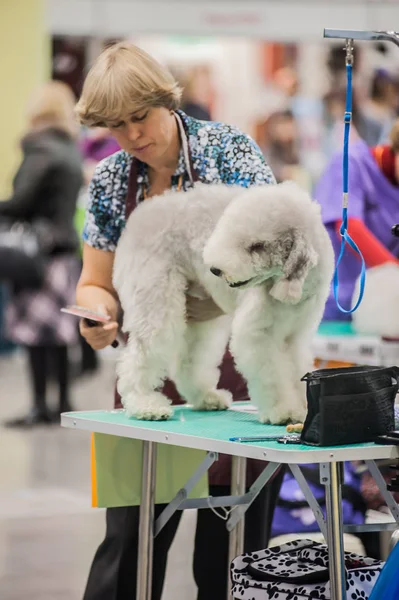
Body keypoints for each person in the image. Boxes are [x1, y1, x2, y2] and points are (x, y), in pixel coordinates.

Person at [75, 41, 282, 600]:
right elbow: (95, 278)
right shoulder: (111, 182)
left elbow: (272, 258)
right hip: (147, 373)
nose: (132, 136)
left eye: (139, 118)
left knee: (231, 556)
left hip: (236, 371)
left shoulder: (229, 152)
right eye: (116, 127)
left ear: (164, 99)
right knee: (128, 548)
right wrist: (99, 311)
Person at [0, 81, 83, 426]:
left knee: (35, 334)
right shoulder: (69, 148)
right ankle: (62, 402)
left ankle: (38, 406)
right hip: (64, 251)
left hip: (37, 252)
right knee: (61, 332)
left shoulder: (40, 149)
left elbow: (21, 202)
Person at [315, 118, 399, 321]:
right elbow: (349, 228)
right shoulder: (350, 162)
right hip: (331, 305)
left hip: (376, 309)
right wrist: (394, 273)